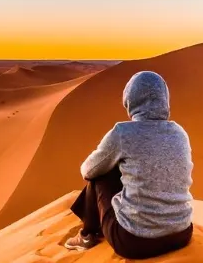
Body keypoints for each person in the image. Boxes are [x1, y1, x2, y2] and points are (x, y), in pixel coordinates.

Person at [64, 71, 194, 259]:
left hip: (134, 242)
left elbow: (88, 170)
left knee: (99, 175)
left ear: (130, 99)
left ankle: (87, 235)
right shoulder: (180, 133)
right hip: (181, 234)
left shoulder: (123, 133)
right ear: (164, 99)